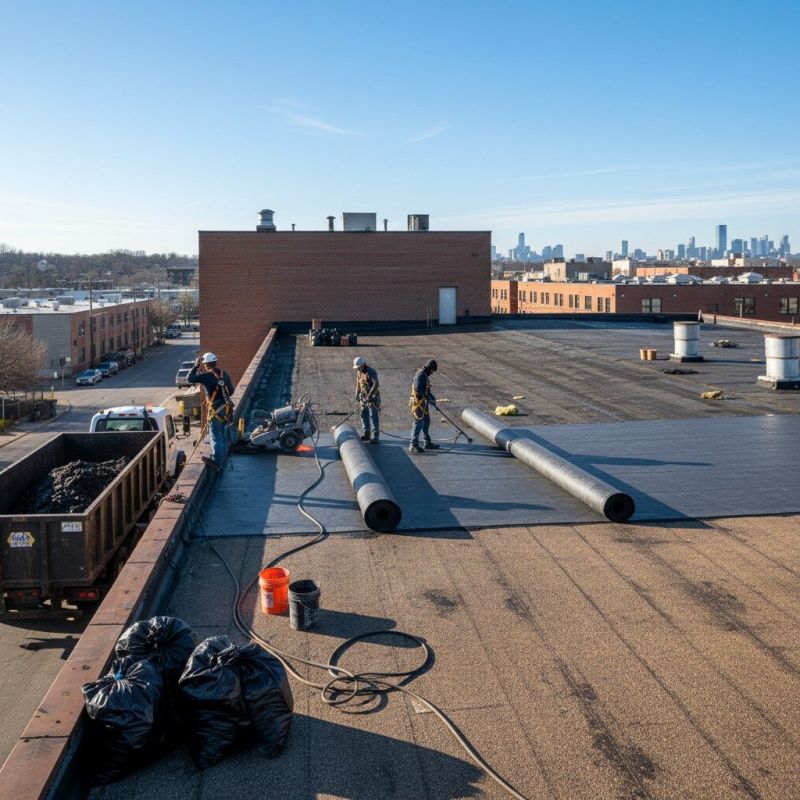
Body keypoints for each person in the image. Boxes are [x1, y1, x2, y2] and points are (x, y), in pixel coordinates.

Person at [188, 351, 235, 472]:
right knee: (222, 433)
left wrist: (196, 366)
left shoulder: (206, 376)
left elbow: (190, 378)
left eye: (203, 364)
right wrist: (222, 397)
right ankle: (222, 457)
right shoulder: (224, 374)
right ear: (215, 362)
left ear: (206, 364)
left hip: (215, 408)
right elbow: (231, 390)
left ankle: (217, 461)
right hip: (226, 408)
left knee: (215, 436)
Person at [409, 359, 440, 454]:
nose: (432, 373)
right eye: (432, 371)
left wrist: (432, 398)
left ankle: (427, 442)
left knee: (426, 421)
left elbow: (426, 389)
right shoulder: (420, 375)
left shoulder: (425, 375)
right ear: (430, 369)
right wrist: (428, 398)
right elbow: (419, 390)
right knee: (418, 423)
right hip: (418, 404)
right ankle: (413, 444)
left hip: (423, 403)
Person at [353, 356, 380, 443]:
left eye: (359, 367)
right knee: (363, 414)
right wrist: (357, 393)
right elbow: (358, 383)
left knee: (373, 416)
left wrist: (369, 396)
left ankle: (375, 436)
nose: (358, 369)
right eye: (357, 368)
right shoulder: (359, 372)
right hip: (363, 397)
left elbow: (376, 384)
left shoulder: (371, 372)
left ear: (363, 365)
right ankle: (366, 433)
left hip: (373, 398)